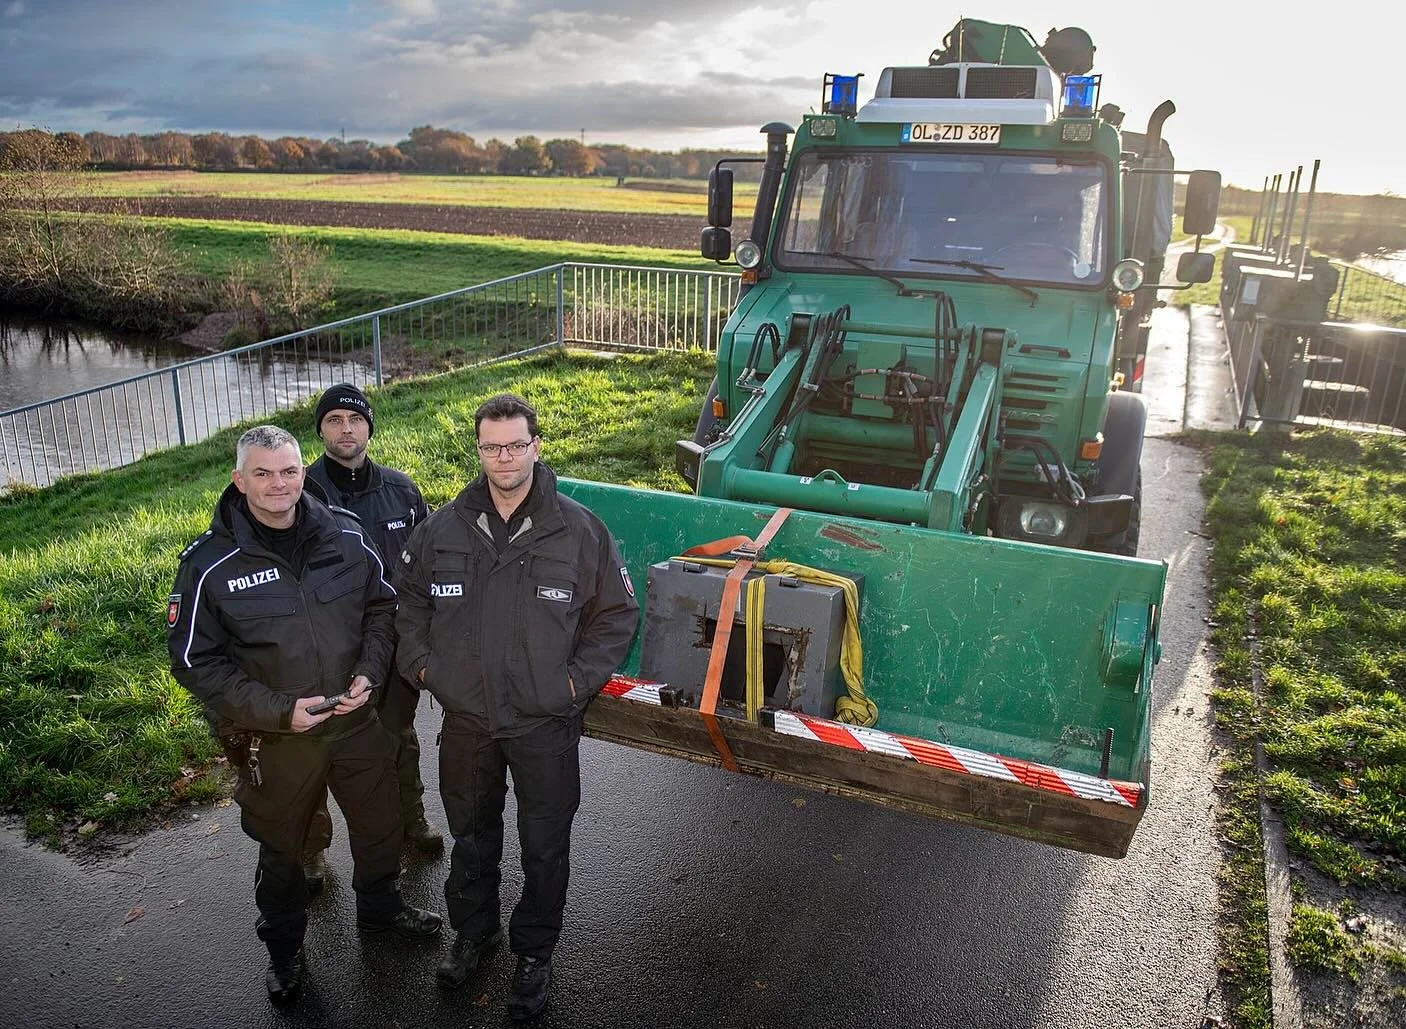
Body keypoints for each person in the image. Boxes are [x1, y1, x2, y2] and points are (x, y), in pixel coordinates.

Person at [167, 424, 442, 1006]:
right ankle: (285, 954)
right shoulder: (209, 565)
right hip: (277, 739)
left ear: (303, 472)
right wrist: (276, 712)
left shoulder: (344, 534)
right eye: (262, 473)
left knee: (380, 826)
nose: (278, 485)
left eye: (288, 471)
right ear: (239, 481)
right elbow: (195, 661)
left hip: (356, 722)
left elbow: (381, 607)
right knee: (284, 852)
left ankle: (382, 911)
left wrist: (370, 671)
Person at [394, 393, 638, 1020]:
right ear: (478, 451)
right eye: (491, 446)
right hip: (469, 722)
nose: (503, 457)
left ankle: (535, 951)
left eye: (515, 444)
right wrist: (426, 669)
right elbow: (409, 607)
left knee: (544, 844)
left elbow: (615, 616)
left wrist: (570, 685)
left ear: (536, 446)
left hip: (545, 725)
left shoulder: (580, 529)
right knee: (472, 839)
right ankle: (474, 934)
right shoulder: (443, 528)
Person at [300, 383, 443, 893]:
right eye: (334, 419)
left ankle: (411, 820)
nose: (346, 429)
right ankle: (311, 849)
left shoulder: (402, 491)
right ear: (320, 429)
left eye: (355, 420)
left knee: (397, 736)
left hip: (397, 642)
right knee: (317, 750)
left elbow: (428, 564)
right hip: (330, 650)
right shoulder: (302, 492)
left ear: (369, 428)